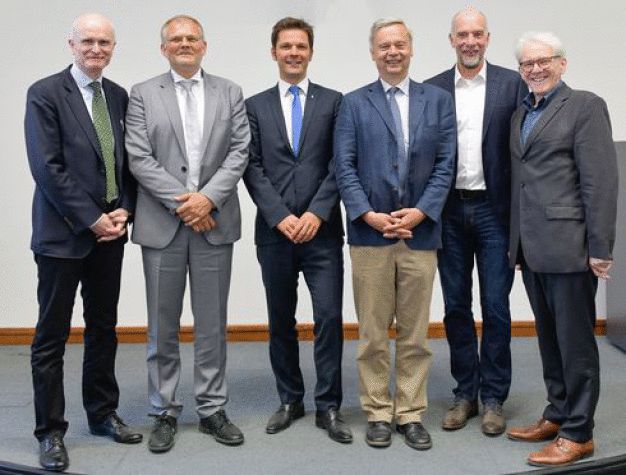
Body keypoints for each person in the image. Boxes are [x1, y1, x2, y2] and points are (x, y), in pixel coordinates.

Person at [125, 15, 249, 453]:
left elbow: (239, 152)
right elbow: (139, 158)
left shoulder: (230, 92)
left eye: (191, 38)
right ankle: (164, 409)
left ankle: (213, 408)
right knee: (162, 326)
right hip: (163, 225)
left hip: (214, 223)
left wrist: (207, 200)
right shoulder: (142, 94)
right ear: (163, 48)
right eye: (175, 39)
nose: (183, 44)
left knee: (212, 324)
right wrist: (186, 203)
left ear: (204, 45)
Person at [24, 12, 141, 472]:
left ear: (114, 48)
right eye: (88, 41)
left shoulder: (117, 95)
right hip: (62, 236)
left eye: (104, 43)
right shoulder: (45, 93)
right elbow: (47, 167)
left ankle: (102, 413)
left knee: (103, 329)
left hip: (111, 233)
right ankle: (50, 431)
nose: (96, 50)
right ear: (70, 44)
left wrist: (124, 209)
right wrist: (92, 218)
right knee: (51, 337)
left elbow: (125, 162)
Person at [334, 18, 456, 450]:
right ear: (372, 52)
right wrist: (367, 214)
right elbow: (344, 167)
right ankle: (378, 411)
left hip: (420, 235)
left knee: (415, 332)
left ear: (411, 49)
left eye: (400, 44)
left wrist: (422, 212)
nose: (392, 52)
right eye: (384, 45)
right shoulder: (353, 103)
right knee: (371, 333)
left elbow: (446, 164)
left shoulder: (438, 101)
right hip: (371, 237)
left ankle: (410, 411)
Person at [506, 31, 617, 466]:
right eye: (527, 64)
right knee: (549, 339)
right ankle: (557, 412)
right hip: (533, 249)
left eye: (544, 60)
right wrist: (516, 245)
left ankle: (579, 432)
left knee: (576, 343)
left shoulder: (585, 106)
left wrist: (600, 247)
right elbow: (523, 182)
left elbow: (601, 181)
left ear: (562, 63)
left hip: (571, 247)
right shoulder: (521, 114)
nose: (535, 69)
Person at [243, 17, 351, 443]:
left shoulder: (334, 102)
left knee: (328, 318)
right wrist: (280, 216)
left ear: (310, 52)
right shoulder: (254, 105)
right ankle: (290, 398)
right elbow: (251, 166)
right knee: (280, 320)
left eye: (300, 46)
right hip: (275, 233)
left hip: (321, 232)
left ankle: (329, 406)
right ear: (274, 52)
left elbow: (340, 162)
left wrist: (317, 213)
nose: (293, 53)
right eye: (285, 46)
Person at [425, 7, 526, 436]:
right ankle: (465, 393)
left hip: (494, 212)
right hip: (447, 211)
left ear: (488, 38)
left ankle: (494, 398)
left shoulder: (513, 84)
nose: (470, 41)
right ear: (451, 40)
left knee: (498, 308)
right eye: (462, 34)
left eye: (477, 34)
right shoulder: (431, 90)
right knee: (455, 307)